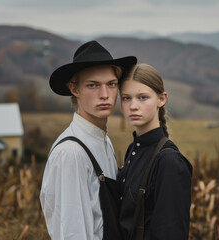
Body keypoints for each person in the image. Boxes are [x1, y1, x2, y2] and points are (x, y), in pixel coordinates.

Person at [40, 40, 137, 240]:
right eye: (92, 85)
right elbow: (72, 233)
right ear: (74, 89)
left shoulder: (104, 141)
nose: (105, 95)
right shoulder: (71, 153)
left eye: (111, 84)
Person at [118, 63, 192, 240]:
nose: (133, 106)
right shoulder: (133, 149)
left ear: (161, 99)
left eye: (142, 97)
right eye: (126, 98)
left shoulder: (169, 162)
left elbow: (171, 233)